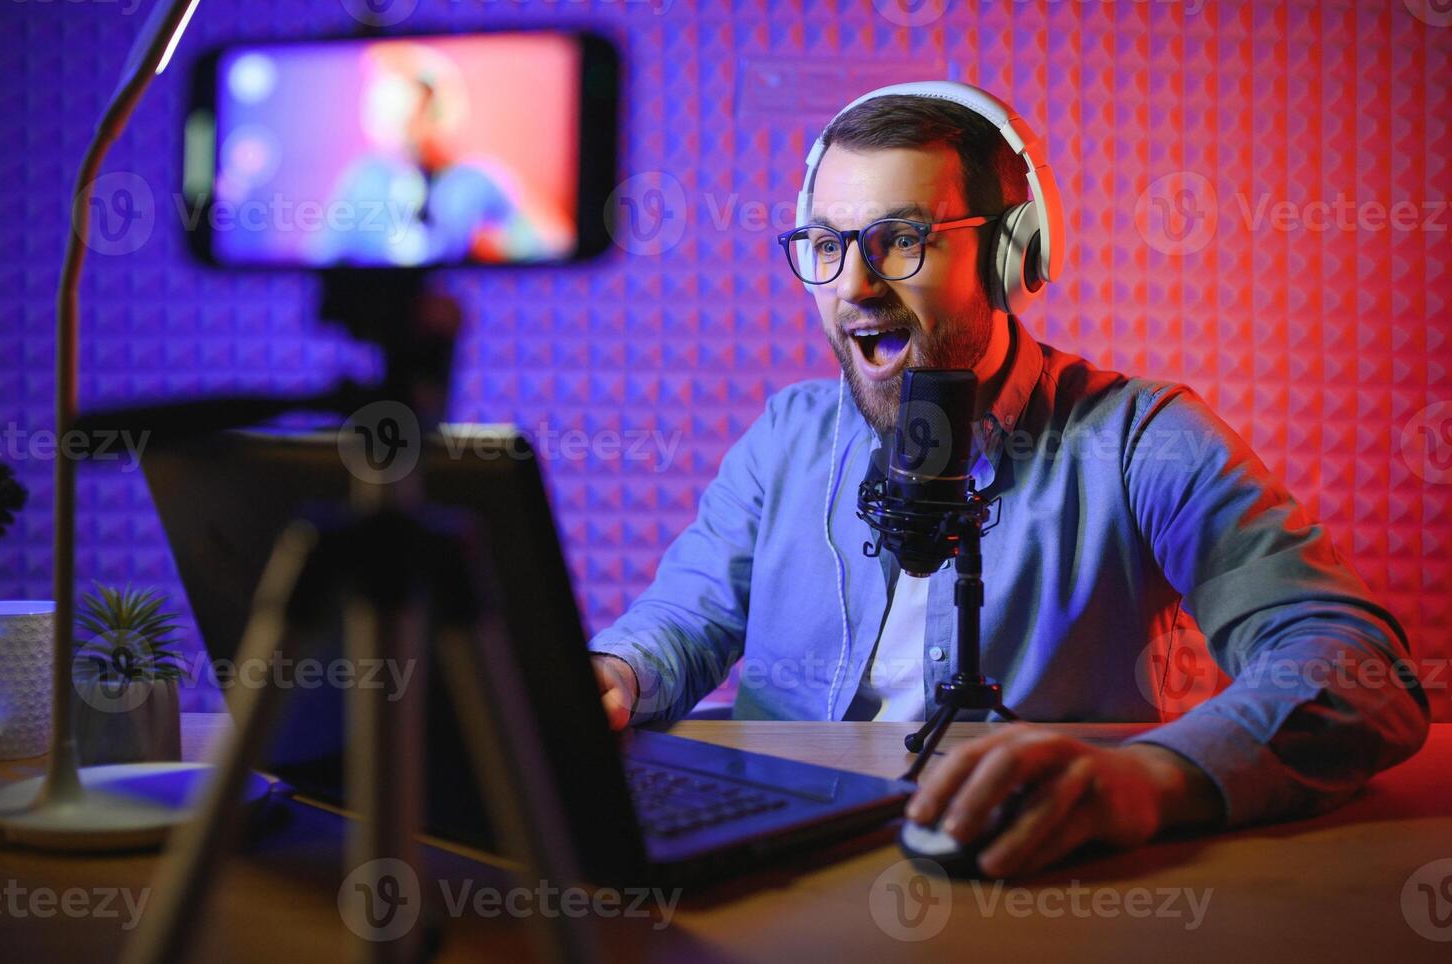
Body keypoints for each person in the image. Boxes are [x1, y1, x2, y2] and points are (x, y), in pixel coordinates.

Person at [587, 88, 1430, 878]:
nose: (852, 285)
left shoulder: (1140, 437)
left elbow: (1355, 672)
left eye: (900, 239)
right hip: (776, 863)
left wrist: (1144, 782)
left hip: (1028, 871)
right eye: (825, 243)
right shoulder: (785, 436)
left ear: (1009, 255)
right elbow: (682, 621)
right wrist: (614, 675)